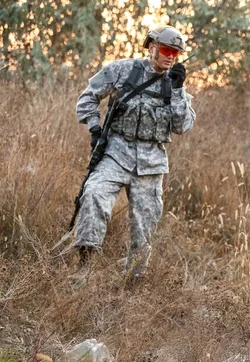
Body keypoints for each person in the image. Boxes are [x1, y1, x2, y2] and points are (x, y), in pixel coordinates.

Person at [72, 25, 196, 282]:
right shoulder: (122, 70)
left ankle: (133, 282)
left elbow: (183, 126)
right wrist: (95, 128)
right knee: (93, 195)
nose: (171, 56)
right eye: (165, 49)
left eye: (176, 52)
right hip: (116, 152)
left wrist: (178, 90)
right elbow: (87, 98)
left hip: (151, 163)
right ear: (151, 47)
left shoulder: (174, 84)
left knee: (144, 226)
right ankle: (83, 267)